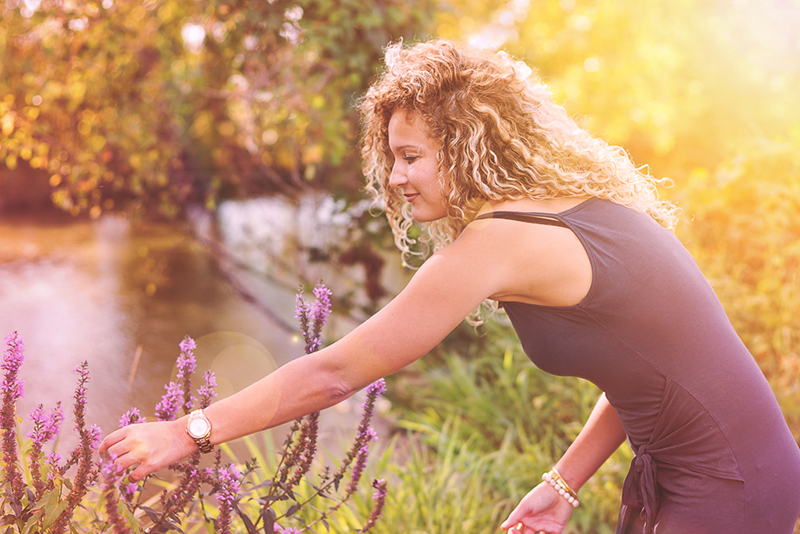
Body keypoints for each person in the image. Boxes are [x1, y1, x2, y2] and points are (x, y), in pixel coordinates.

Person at [100, 39, 800, 533]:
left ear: (468, 147)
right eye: (391, 158)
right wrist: (561, 484)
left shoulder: (497, 241)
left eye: (411, 157)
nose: (396, 178)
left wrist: (191, 431)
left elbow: (337, 371)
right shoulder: (566, 205)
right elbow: (647, 374)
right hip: (723, 468)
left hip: (729, 484)